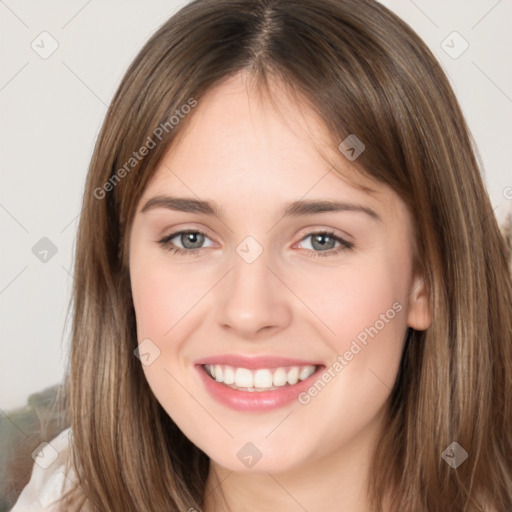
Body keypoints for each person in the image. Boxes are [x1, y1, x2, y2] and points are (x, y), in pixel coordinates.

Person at [10, 0, 512, 510]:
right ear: (123, 267)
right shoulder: (58, 493)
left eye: (321, 240)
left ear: (426, 278)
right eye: (190, 238)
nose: (248, 312)